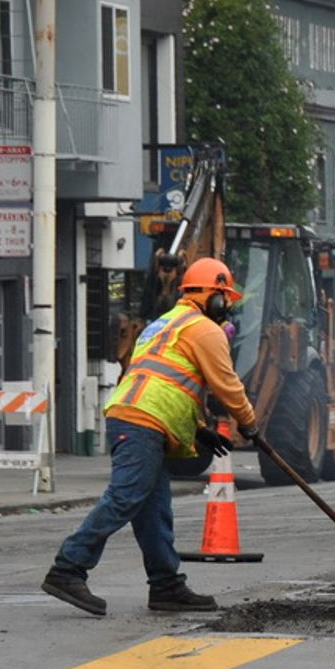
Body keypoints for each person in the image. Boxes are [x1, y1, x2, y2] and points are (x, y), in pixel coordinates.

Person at [43, 256, 259, 616]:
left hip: (137, 417)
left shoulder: (163, 325)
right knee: (125, 497)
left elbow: (169, 384)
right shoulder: (206, 330)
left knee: (153, 510)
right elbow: (228, 387)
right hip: (141, 422)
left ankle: (166, 586)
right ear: (213, 297)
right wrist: (249, 424)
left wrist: (199, 430)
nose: (226, 309)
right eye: (224, 299)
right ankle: (67, 568)